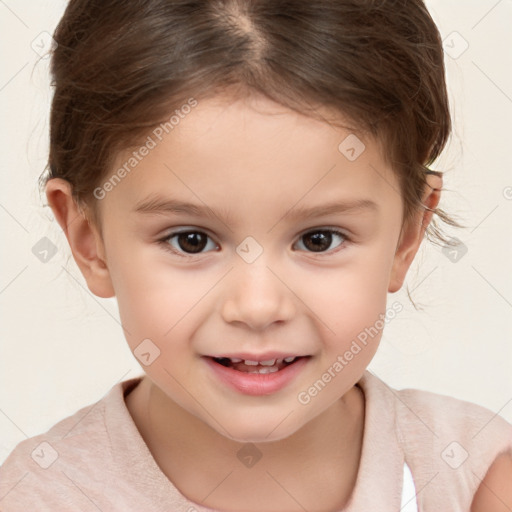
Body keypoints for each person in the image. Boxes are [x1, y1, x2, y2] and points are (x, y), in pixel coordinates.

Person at [1, 1, 511, 510]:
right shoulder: (42, 496)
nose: (258, 306)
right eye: (191, 240)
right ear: (89, 240)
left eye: (319, 239)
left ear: (406, 235)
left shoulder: (474, 477)